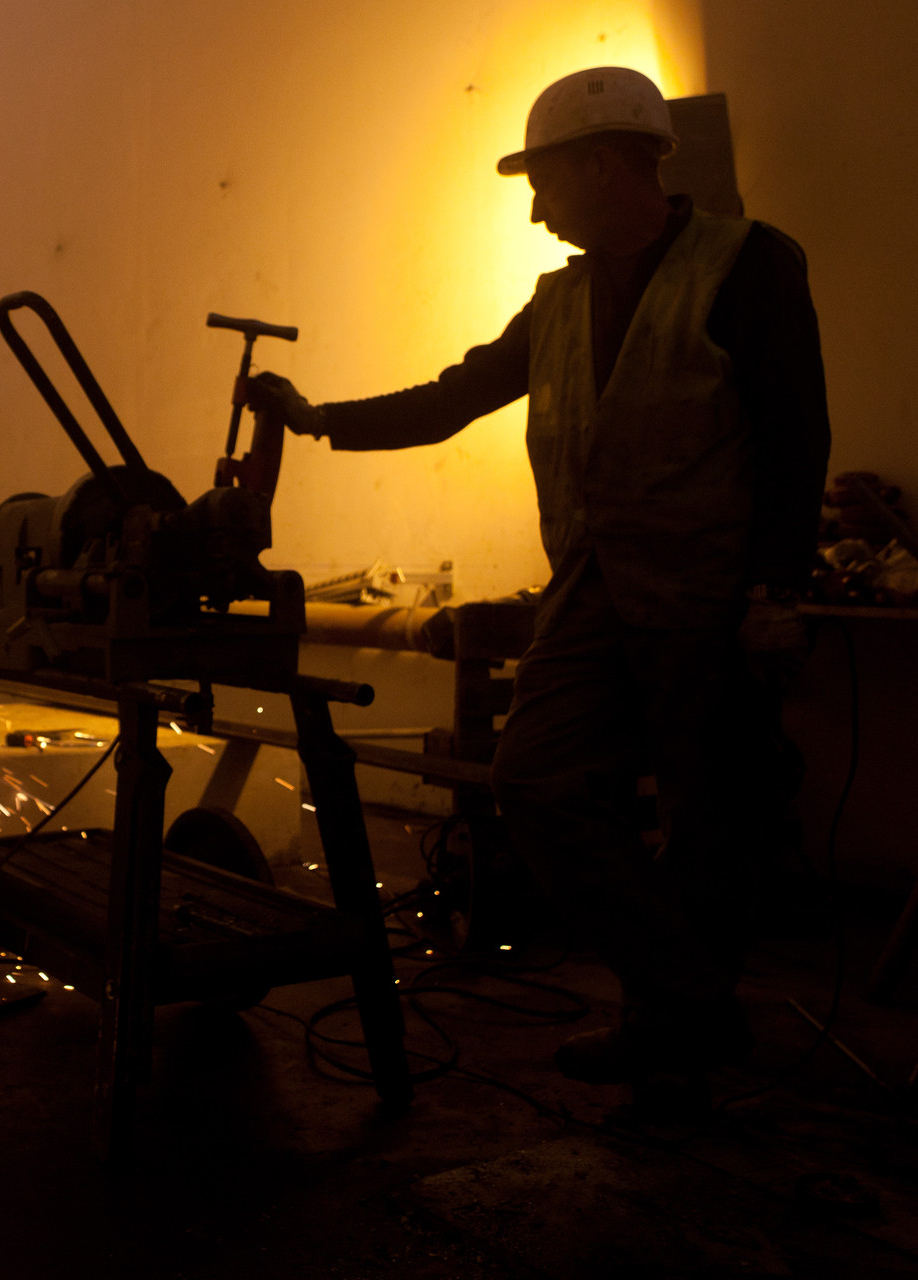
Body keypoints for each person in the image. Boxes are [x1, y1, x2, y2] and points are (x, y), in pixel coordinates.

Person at [247, 67, 830, 1104]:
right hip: (594, 592)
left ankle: (673, 1024)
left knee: (711, 822)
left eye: (543, 179)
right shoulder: (559, 301)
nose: (533, 206)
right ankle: (694, 998)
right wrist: (318, 417)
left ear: (604, 164)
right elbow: (455, 397)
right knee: (536, 778)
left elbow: (794, 438)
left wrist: (775, 591)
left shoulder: (747, 266)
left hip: (707, 597)